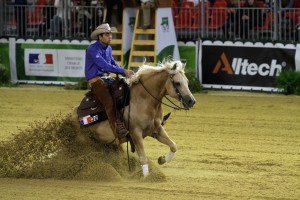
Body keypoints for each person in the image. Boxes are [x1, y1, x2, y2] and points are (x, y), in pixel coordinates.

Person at [85, 23, 135, 138]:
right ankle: (117, 126)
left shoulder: (108, 48)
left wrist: (123, 71)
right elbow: (104, 65)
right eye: (107, 34)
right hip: (96, 81)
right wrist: (123, 71)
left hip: (107, 79)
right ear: (100, 36)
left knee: (126, 91)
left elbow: (112, 63)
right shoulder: (92, 49)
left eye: (110, 34)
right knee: (109, 102)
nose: (110, 37)